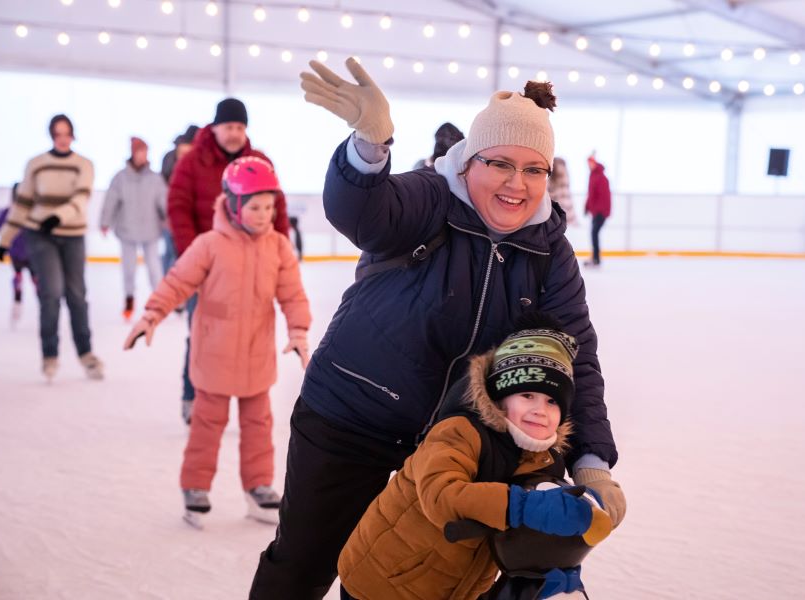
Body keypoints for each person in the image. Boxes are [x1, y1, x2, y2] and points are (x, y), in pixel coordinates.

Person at [249, 58, 625, 599]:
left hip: (459, 443)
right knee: (303, 563)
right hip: (351, 419)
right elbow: (362, 213)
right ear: (469, 161)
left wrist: (591, 458)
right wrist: (370, 148)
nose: (517, 185)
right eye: (500, 164)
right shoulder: (429, 199)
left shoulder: (550, 253)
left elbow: (575, 357)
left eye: (534, 169)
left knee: (421, 582)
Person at [338, 313, 612, 599]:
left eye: (552, 401)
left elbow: (525, 533)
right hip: (384, 582)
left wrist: (555, 559)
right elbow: (442, 497)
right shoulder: (459, 432)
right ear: (500, 396)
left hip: (456, 587)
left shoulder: (543, 458)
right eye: (527, 395)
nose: (540, 410)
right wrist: (525, 506)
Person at [123, 157, 311, 528]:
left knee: (259, 425)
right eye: (255, 207)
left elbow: (292, 295)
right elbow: (177, 282)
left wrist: (299, 331)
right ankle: (195, 488)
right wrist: (151, 315)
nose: (263, 215)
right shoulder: (209, 244)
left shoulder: (277, 247)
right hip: (213, 355)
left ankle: (258, 486)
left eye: (269, 207)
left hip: (256, 355)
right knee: (207, 425)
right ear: (234, 204)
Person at [167, 98, 290, 425]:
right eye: (229, 126)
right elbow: (178, 207)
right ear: (216, 127)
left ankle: (249, 401)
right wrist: (192, 255)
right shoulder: (193, 162)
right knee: (202, 332)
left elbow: (277, 209)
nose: (234, 133)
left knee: (253, 333)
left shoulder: (259, 162)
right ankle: (192, 395)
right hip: (207, 269)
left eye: (240, 127)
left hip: (253, 266)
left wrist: (281, 254)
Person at [0, 114, 103, 382]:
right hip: (39, 235)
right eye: (58, 134)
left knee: (76, 295)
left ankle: (86, 353)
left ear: (73, 135)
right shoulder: (37, 164)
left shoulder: (83, 165)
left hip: (73, 234)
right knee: (51, 293)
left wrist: (59, 216)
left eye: (67, 133)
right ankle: (50, 355)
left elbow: (81, 197)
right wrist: (5, 239)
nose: (63, 139)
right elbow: (23, 204)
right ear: (52, 136)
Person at [100, 137, 168, 321]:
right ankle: (129, 299)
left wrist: (168, 217)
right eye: (140, 151)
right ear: (133, 153)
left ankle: (160, 300)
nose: (143, 155)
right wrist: (105, 222)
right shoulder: (120, 178)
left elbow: (164, 201)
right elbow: (111, 201)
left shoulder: (155, 179)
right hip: (127, 230)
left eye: (145, 152)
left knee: (154, 267)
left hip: (150, 229)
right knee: (128, 269)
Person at [0, 187, 36, 323]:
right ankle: (19, 301)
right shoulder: (10, 212)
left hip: (29, 253)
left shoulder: (29, 212)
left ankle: (32, 300)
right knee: (21, 277)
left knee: (32, 278)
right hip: (20, 253)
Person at [160, 124, 198, 275]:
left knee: (172, 252)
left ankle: (168, 283)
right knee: (173, 252)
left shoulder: (170, 155)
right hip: (174, 212)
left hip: (174, 212)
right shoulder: (184, 156)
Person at [584, 154, 611, 267]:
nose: (589, 165)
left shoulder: (601, 177)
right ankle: (595, 258)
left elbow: (604, 196)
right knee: (594, 233)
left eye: (591, 163)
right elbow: (591, 194)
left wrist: (600, 211)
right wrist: (587, 207)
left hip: (600, 212)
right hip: (596, 211)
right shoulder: (593, 176)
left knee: (594, 233)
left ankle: (596, 258)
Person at [548, 157, 577, 226]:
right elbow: (567, 198)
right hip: (561, 215)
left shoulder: (549, 176)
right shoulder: (565, 176)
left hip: (551, 215)